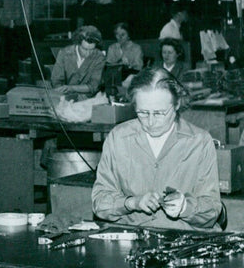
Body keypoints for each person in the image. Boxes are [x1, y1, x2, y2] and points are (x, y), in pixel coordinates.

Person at [92, 68, 221, 230]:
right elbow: (100, 203)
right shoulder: (118, 138)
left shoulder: (199, 142)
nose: (151, 122)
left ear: (177, 105)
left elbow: (213, 209)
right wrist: (131, 203)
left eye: (159, 113)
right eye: (143, 113)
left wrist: (185, 207)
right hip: (131, 235)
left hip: (182, 238)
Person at [49, 25, 106, 101]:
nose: (88, 53)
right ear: (77, 43)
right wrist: (63, 93)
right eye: (85, 49)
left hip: (88, 100)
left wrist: (71, 88)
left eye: (91, 49)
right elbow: (56, 81)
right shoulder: (64, 53)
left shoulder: (99, 57)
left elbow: (93, 86)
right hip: (64, 98)